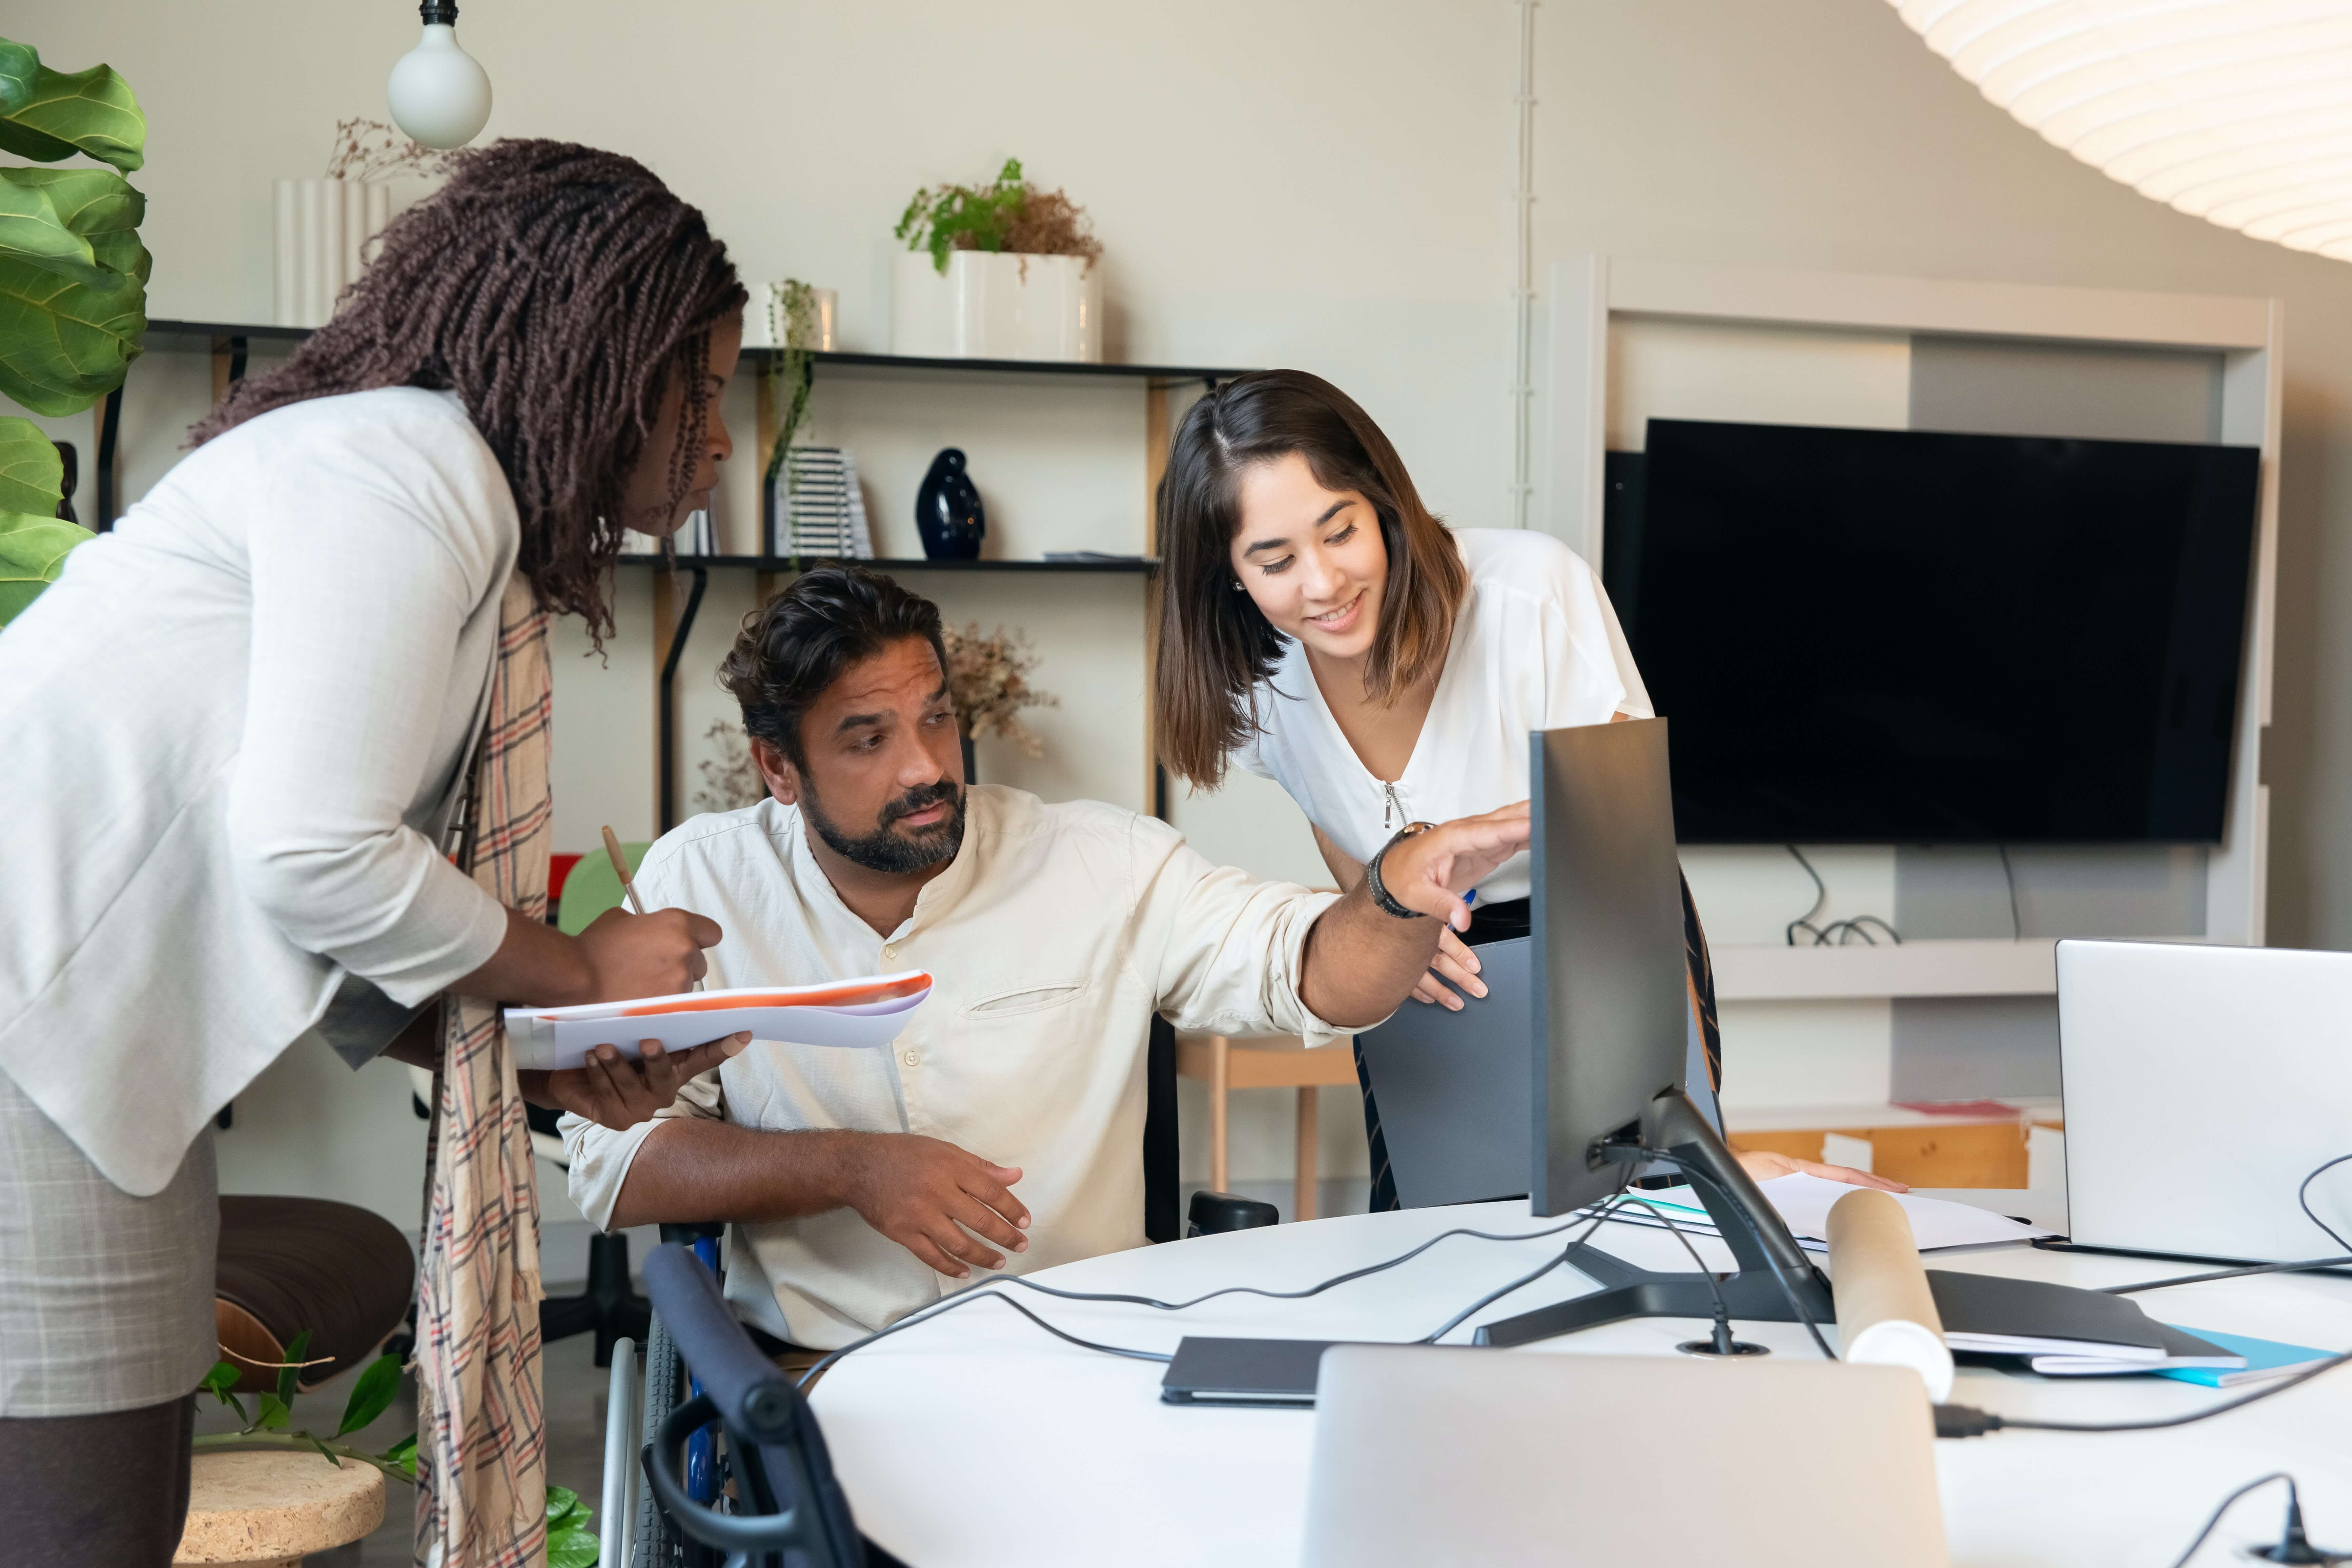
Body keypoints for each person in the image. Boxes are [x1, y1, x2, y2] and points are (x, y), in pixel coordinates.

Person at [0, 142, 752, 1566]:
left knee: (113, 1518)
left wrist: (538, 1041)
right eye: (697, 385)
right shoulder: (410, 466)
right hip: (31, 1034)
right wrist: (578, 961)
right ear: (594, 353)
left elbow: (321, 896)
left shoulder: (402, 474)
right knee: (81, 1532)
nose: (717, 437)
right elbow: (317, 852)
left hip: (72, 1046)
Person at [562, 566, 1532, 1351]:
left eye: (935, 717)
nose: (925, 767)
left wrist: (1398, 888)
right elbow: (617, 1165)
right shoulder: (702, 884)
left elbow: (1309, 968)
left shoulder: (1099, 860)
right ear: (777, 765)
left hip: (1086, 1359)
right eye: (867, 739)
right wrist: (849, 1166)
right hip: (825, 1376)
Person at [1151, 369, 1897, 1208]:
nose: (1322, 584)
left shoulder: (1528, 591)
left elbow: (1626, 846)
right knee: (1428, 1225)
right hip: (1425, 959)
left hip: (1596, 925)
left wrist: (1694, 1125)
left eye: (1340, 531)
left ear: (1382, 500)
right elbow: (1333, 814)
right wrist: (1386, 920)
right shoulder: (1258, 683)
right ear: (1230, 574)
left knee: (1645, 1205)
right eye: (1276, 559)